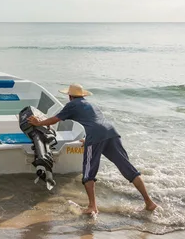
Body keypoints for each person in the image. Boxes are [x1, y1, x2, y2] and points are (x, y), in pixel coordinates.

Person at [28, 83, 157, 216]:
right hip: (111, 132)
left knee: (88, 173)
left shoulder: (72, 104)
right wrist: (88, 139)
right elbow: (95, 122)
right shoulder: (92, 105)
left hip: (96, 136)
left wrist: (38, 123)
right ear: (83, 95)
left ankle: (92, 207)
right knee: (128, 169)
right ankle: (149, 202)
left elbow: (55, 119)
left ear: (70, 96)